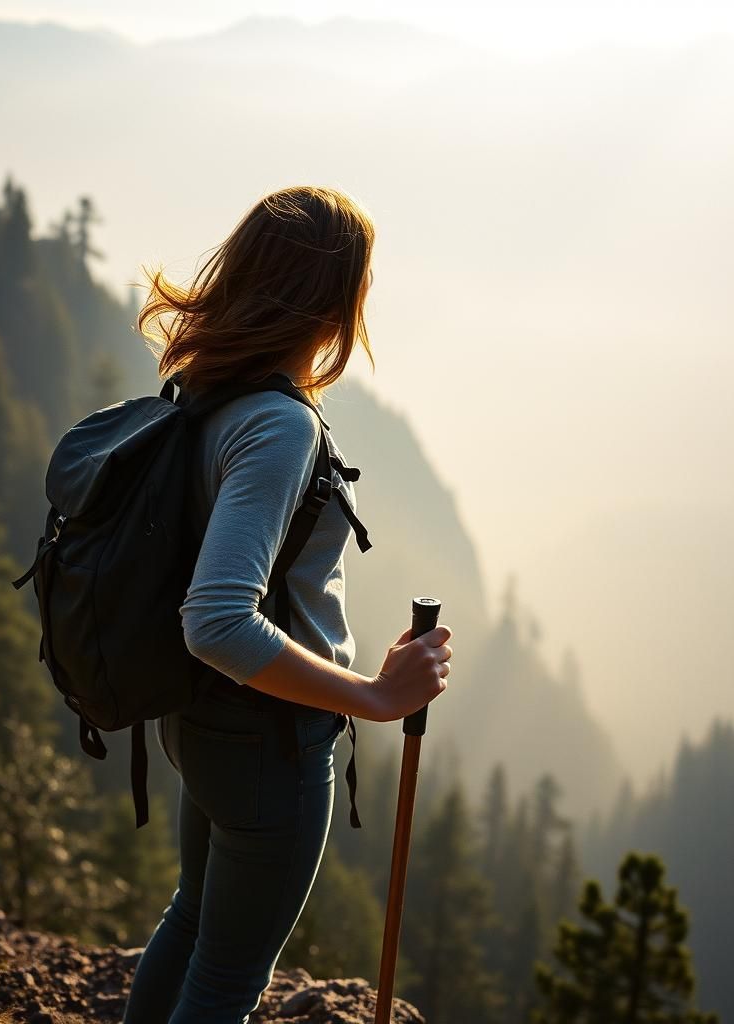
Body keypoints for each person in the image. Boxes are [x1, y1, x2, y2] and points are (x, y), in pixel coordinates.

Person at [120, 185, 453, 1024]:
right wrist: (376, 699)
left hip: (201, 725)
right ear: (333, 301)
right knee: (227, 979)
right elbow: (218, 619)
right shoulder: (280, 425)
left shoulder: (209, 391)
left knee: (193, 919)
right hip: (270, 743)